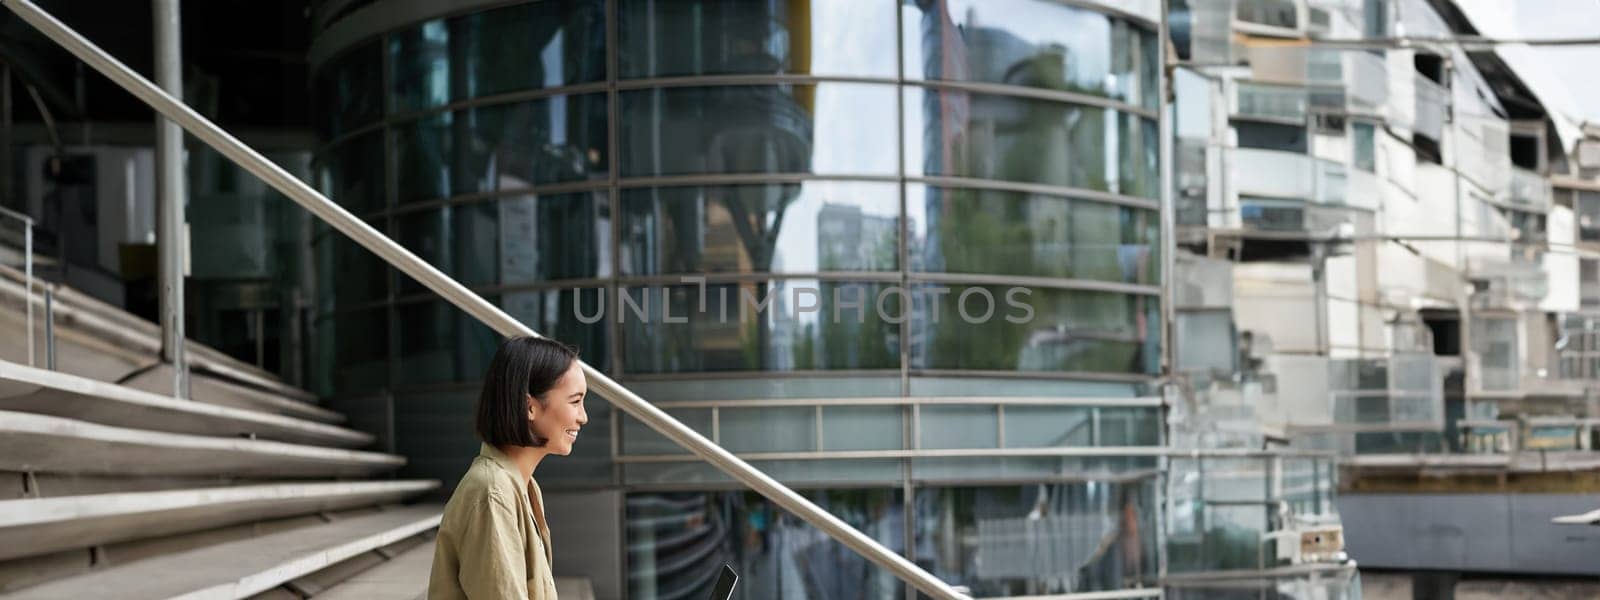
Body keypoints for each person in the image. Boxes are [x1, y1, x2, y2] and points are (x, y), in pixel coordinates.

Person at [429, 336, 588, 599]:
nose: (583, 416)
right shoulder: (493, 493)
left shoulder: (520, 486)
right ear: (529, 407)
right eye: (575, 401)